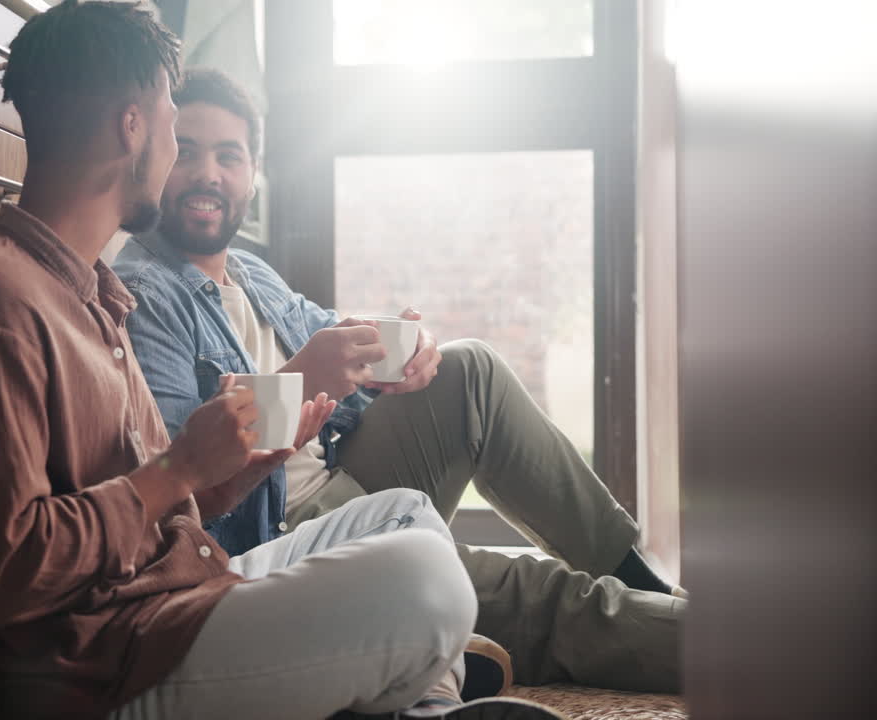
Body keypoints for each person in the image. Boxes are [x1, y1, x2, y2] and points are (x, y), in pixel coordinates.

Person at [0, 2, 563, 718]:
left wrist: (238, 467)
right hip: (108, 666)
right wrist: (181, 467)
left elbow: (163, 504)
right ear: (132, 127)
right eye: (172, 128)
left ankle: (423, 701)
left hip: (175, 599)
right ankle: (421, 694)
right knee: (425, 583)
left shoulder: (92, 293)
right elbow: (1, 578)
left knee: (406, 518)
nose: (178, 158)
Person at [113, 67, 686, 693]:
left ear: (253, 175)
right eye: (188, 152)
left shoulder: (251, 275)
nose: (208, 174)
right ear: (158, 159)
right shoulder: (144, 294)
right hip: (276, 536)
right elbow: (183, 493)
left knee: (470, 369)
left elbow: (346, 356)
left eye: (229, 156)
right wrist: (302, 379)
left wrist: (412, 358)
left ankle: (636, 575)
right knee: (536, 590)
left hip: (338, 485)